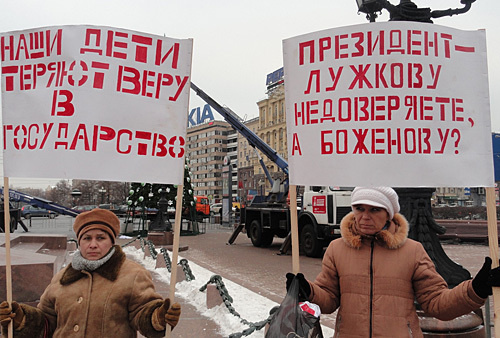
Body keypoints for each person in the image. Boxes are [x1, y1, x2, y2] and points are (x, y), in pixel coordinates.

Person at [286, 187, 500, 337]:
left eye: (374, 210)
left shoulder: (412, 251)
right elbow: (329, 300)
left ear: (388, 214)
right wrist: (308, 291)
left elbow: (437, 304)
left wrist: (476, 289)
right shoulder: (337, 249)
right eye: (359, 208)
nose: (365, 216)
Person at [0, 208, 181, 337]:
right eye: (87, 238)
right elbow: (46, 323)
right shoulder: (62, 278)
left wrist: (158, 317)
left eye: (100, 238)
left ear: (112, 242)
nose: (93, 244)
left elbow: (142, 315)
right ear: (79, 243)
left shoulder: (133, 275)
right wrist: (21, 320)